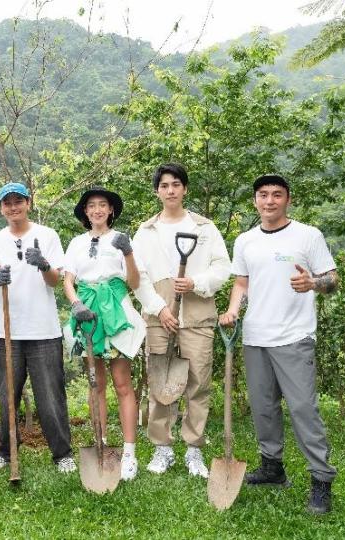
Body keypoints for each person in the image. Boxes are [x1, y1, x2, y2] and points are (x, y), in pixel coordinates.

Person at [219, 174, 339, 515]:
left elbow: (333, 279)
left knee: (303, 409)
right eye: (263, 195)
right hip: (256, 336)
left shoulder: (308, 235)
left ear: (288, 199)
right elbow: (241, 284)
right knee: (263, 408)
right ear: (255, 200)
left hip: (294, 336)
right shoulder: (245, 241)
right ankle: (272, 467)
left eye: (276, 195)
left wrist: (313, 282)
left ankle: (321, 479)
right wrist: (231, 310)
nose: (269, 201)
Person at [132, 163, 231, 478]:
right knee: (161, 381)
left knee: (198, 383)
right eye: (164, 185)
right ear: (157, 191)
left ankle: (193, 450)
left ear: (185, 189)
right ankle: (162, 449)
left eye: (176, 184)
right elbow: (136, 276)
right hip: (159, 316)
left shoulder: (204, 228)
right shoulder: (145, 231)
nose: (170, 190)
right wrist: (159, 308)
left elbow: (222, 268)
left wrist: (196, 283)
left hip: (198, 314)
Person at [0, 182, 75, 473]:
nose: (13, 207)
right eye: (7, 203)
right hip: (7, 332)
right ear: (1, 208)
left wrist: (44, 265)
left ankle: (62, 454)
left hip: (43, 331)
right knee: (7, 395)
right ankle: (5, 451)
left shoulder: (47, 235)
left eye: (18, 201)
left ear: (28, 203)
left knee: (50, 396)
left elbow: (55, 280)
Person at [63, 186, 146, 480]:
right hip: (87, 314)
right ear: (85, 212)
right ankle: (99, 443)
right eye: (91, 206)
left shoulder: (122, 240)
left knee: (122, 383)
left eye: (103, 205)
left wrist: (129, 252)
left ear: (111, 210)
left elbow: (134, 281)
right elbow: (68, 280)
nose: (97, 210)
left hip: (116, 313)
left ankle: (129, 452)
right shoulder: (76, 243)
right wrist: (76, 305)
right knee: (95, 383)